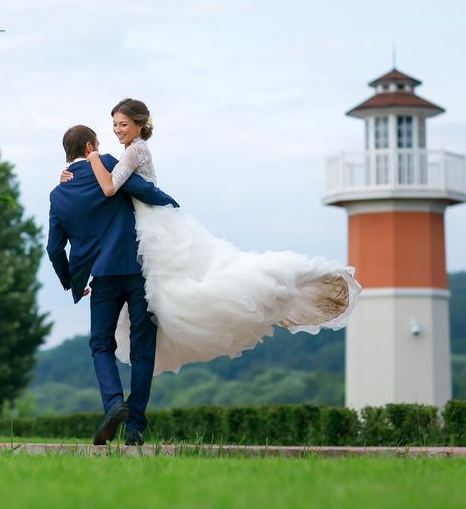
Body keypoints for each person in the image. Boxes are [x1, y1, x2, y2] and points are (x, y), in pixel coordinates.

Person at [61, 99, 360, 375]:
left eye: (123, 124)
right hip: (145, 228)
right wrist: (70, 173)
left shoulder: (135, 151)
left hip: (155, 227)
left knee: (186, 289)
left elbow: (110, 187)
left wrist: (93, 159)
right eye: (114, 124)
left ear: (140, 124)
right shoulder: (129, 152)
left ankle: (267, 293)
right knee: (167, 296)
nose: (117, 130)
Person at [47, 125, 179, 446]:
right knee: (142, 348)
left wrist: (72, 283)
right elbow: (142, 189)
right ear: (91, 145)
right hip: (137, 270)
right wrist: (173, 206)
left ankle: (113, 403)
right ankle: (134, 427)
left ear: (67, 153)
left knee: (101, 345)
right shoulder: (106, 163)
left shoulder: (58, 193)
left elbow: (54, 249)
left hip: (102, 278)